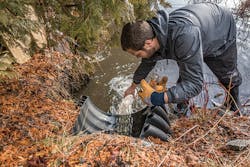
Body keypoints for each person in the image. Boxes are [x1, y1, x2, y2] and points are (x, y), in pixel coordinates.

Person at [121, 2, 242, 114]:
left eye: (137, 54)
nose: (138, 58)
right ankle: (182, 109)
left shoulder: (183, 38)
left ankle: (234, 107)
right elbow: (147, 62)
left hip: (220, 28)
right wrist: (132, 87)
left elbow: (195, 84)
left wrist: (158, 98)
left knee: (227, 75)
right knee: (186, 74)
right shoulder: (153, 34)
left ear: (148, 43)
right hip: (197, 30)